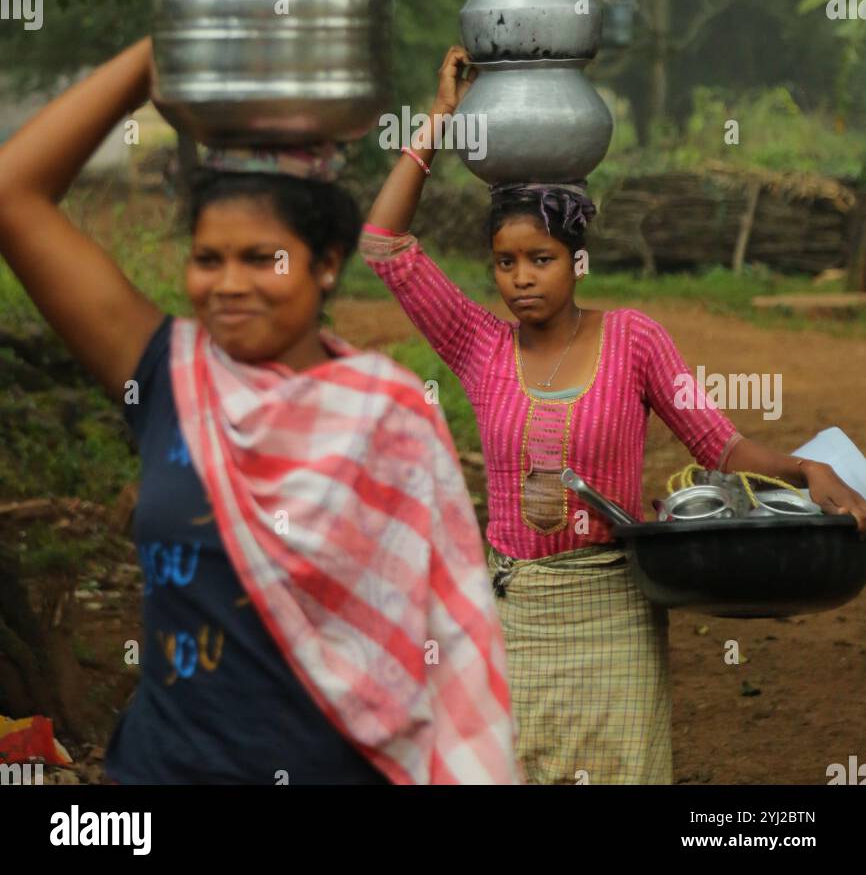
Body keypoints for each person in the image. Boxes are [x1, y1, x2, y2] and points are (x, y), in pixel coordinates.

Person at [0, 39, 519, 786]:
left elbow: (451, 639)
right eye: (208, 259)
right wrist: (158, 56)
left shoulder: (387, 413)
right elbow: (15, 193)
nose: (229, 285)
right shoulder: (171, 376)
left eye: (261, 259)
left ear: (327, 262)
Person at [360, 44, 866, 786]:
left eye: (542, 258)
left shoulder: (636, 341)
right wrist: (440, 118)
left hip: (615, 611)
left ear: (577, 260)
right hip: (517, 618)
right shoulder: (478, 345)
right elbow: (383, 244)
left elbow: (717, 444)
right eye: (506, 262)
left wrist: (804, 467)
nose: (522, 279)